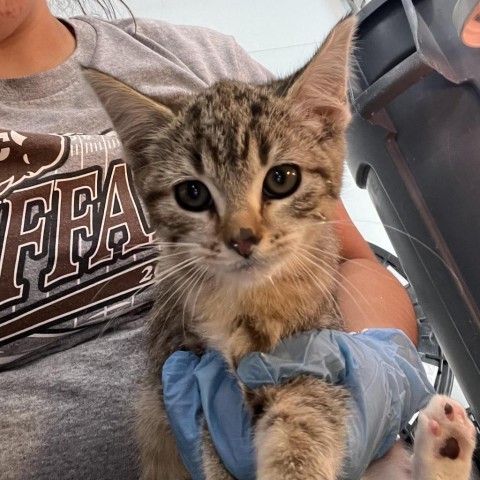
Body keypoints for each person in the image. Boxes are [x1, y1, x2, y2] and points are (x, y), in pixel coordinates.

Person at [0, 1, 420, 479]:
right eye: (195, 193)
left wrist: (374, 367)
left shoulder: (197, 56)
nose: (243, 234)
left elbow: (355, 264)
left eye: (278, 180)